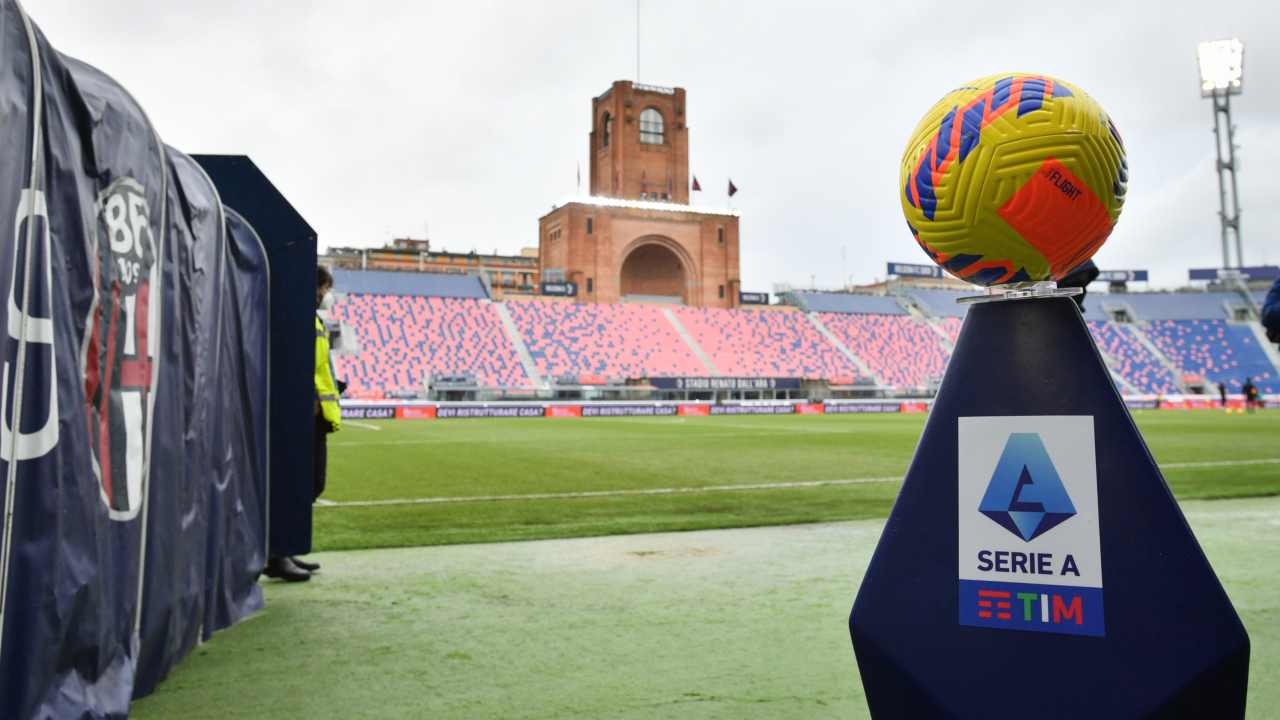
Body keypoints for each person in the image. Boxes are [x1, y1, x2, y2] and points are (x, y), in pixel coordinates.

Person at [264, 267, 343, 582]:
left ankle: (284, 547)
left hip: (315, 415)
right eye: (324, 287)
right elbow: (299, 366)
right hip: (303, 414)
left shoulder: (311, 320)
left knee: (310, 484)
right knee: (300, 484)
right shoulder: (299, 318)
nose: (326, 294)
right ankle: (276, 554)